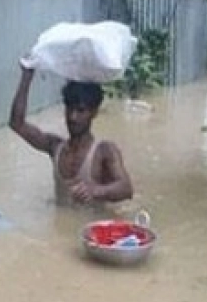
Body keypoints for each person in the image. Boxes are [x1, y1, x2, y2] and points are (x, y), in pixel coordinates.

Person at [9, 61, 134, 206]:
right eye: (69, 109)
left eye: (81, 111)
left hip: (93, 226)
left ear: (94, 112)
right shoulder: (54, 146)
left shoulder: (104, 151)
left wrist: (96, 191)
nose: (73, 117)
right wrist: (27, 76)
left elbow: (126, 188)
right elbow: (17, 124)